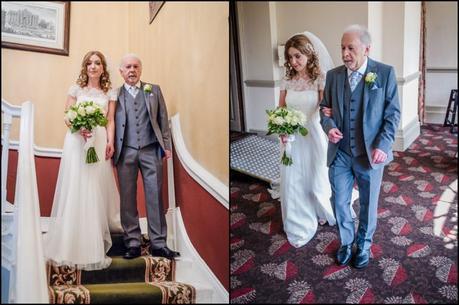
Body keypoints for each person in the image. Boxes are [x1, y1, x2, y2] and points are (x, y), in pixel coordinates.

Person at [320, 25, 400, 269]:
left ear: (367, 49)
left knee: (368, 203)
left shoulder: (384, 73)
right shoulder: (333, 76)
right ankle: (346, 242)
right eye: (342, 48)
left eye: (351, 48)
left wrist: (383, 145)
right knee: (340, 201)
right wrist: (329, 125)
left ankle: (363, 245)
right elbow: (324, 109)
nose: (345, 54)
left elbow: (392, 115)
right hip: (341, 152)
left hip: (370, 155)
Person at [44, 50, 122, 270]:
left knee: (92, 186)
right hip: (76, 142)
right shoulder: (76, 89)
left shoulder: (110, 92)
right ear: (85, 67)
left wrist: (110, 142)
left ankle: (91, 241)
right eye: (90, 63)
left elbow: (110, 120)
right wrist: (79, 129)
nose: (93, 66)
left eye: (97, 63)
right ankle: (69, 239)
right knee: (76, 184)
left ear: (103, 67)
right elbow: (67, 115)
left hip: (97, 142)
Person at [114, 54, 179, 260]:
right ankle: (132, 242)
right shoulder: (114, 95)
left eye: (135, 66)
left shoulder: (154, 90)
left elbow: (162, 119)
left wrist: (166, 147)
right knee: (127, 198)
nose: (132, 70)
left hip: (151, 149)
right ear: (121, 71)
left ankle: (159, 243)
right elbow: (110, 124)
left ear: (140, 70)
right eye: (127, 67)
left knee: (155, 195)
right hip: (125, 151)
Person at [278, 32, 337, 248]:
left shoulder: (319, 77)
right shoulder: (286, 79)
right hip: (291, 134)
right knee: (293, 177)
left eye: (298, 57)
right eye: (290, 57)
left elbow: (323, 108)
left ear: (308, 56)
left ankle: (319, 206)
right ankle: (297, 217)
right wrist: (282, 128)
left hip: (313, 132)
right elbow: (281, 107)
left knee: (315, 173)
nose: (293, 62)